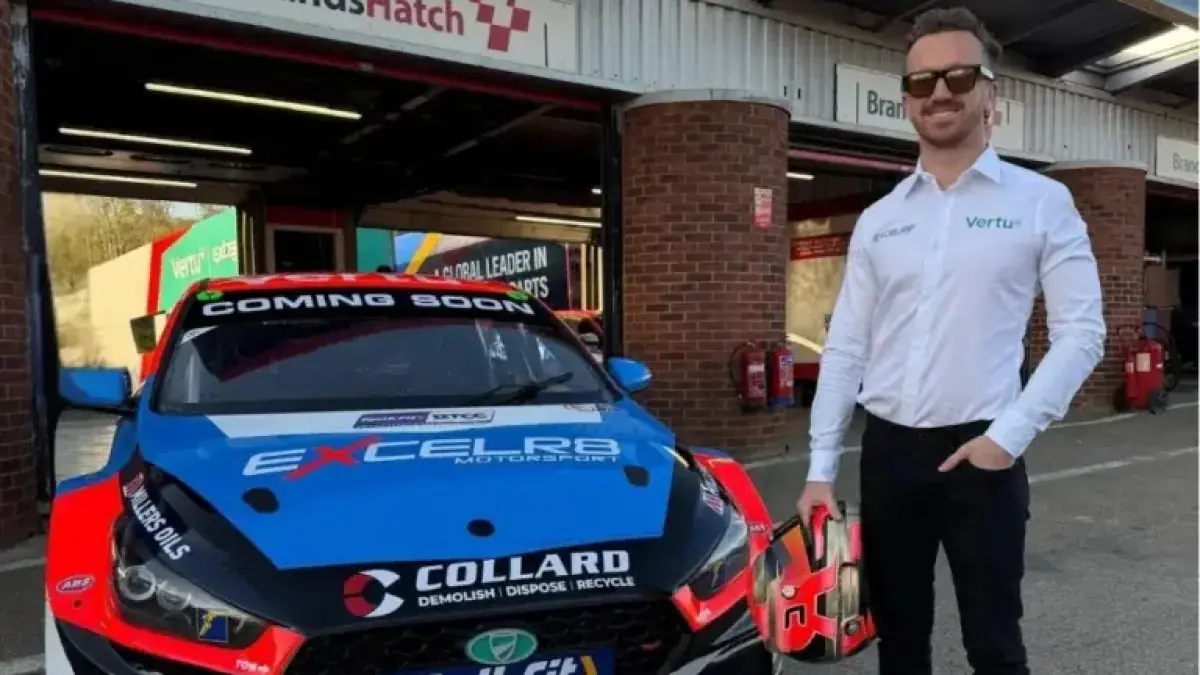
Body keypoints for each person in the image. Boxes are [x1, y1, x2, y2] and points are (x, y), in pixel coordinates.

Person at [795, 8, 1105, 675]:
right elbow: (845, 347)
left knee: (994, 647)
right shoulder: (880, 220)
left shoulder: (1041, 201)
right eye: (921, 80)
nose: (939, 91)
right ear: (907, 99)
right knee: (899, 645)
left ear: (991, 93)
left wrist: (1007, 438)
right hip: (888, 454)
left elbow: (1083, 333)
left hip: (982, 454)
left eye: (958, 76)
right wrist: (820, 470)